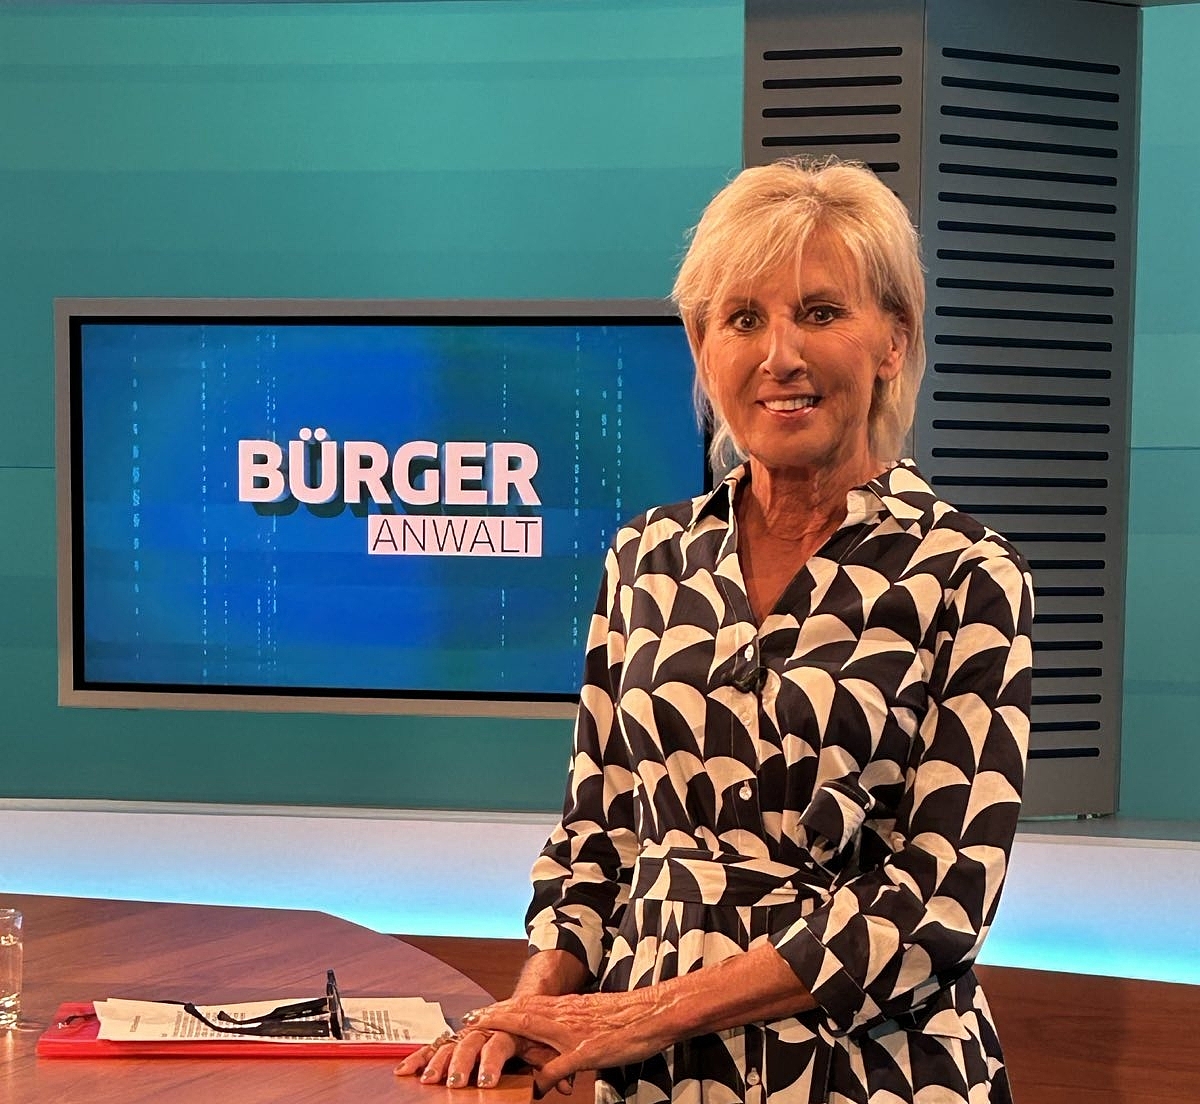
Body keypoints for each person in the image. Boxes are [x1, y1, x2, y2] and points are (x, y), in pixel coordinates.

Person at [397, 157, 1033, 1103]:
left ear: (892, 341)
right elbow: (595, 842)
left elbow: (942, 893)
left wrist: (643, 1013)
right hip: (645, 1081)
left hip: (875, 1078)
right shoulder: (646, 558)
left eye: (821, 313)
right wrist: (523, 1016)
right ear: (701, 347)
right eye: (743, 319)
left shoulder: (966, 574)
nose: (780, 355)